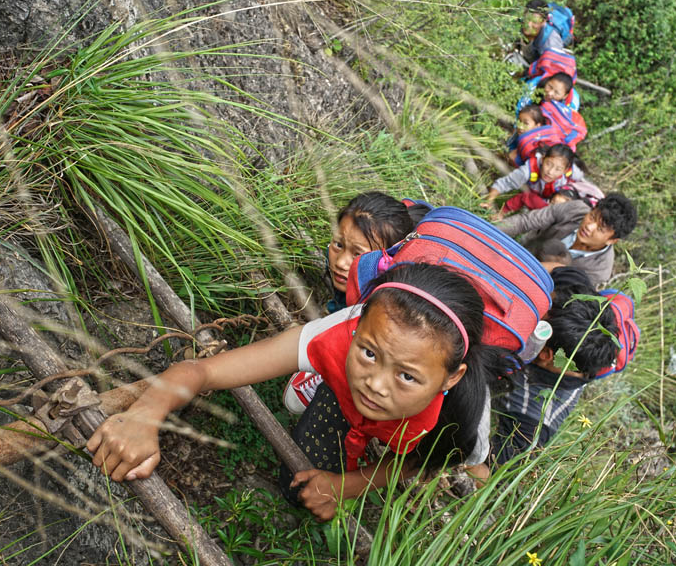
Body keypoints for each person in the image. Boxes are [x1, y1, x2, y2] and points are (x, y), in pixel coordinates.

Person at [86, 263, 513, 521]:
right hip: (345, 385)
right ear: (357, 327)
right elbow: (204, 371)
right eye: (368, 353)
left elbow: (423, 462)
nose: (376, 384)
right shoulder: (336, 335)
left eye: (407, 376)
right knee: (299, 488)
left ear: (451, 378)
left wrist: (348, 485)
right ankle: (327, 387)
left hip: (419, 430)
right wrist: (146, 412)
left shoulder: (462, 417)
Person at [286, 192, 420, 413]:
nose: (341, 262)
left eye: (358, 255)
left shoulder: (390, 309)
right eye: (338, 244)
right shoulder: (360, 275)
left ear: (386, 261)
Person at [491, 267, 619, 460]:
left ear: (545, 353)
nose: (532, 312)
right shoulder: (576, 304)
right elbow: (562, 270)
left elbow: (490, 471)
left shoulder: (532, 420)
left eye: (537, 320)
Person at [497, 192, 637, 285]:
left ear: (611, 240)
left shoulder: (599, 271)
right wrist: (491, 231)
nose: (589, 227)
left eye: (600, 229)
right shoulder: (575, 209)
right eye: (592, 217)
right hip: (522, 250)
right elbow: (525, 221)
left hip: (534, 284)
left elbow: (563, 292)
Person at [481, 144, 585, 215]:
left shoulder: (573, 175)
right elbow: (504, 183)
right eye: (548, 164)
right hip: (538, 195)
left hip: (552, 199)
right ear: (543, 159)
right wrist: (489, 200)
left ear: (565, 170)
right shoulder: (528, 170)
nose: (550, 172)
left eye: (558, 169)